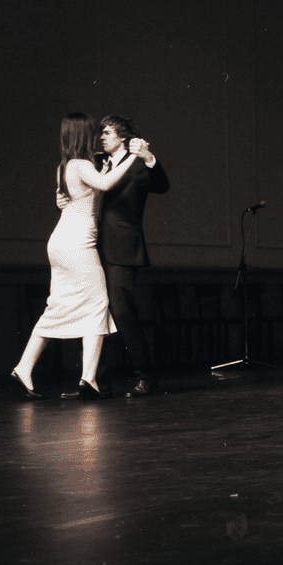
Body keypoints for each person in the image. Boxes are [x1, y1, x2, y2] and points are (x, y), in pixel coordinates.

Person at [11, 113, 146, 399]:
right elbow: (107, 184)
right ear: (83, 136)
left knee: (57, 307)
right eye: (92, 132)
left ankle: (25, 368)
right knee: (98, 305)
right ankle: (89, 379)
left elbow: (71, 197)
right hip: (77, 246)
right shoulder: (84, 165)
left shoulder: (65, 166)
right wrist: (134, 158)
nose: (97, 137)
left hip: (60, 243)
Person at [95, 114, 170, 396]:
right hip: (95, 247)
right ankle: (97, 380)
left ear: (122, 138)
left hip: (123, 248)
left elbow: (162, 186)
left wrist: (149, 157)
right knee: (96, 314)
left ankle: (145, 376)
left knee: (124, 312)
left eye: (107, 133)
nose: (101, 137)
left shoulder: (138, 164)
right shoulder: (99, 164)